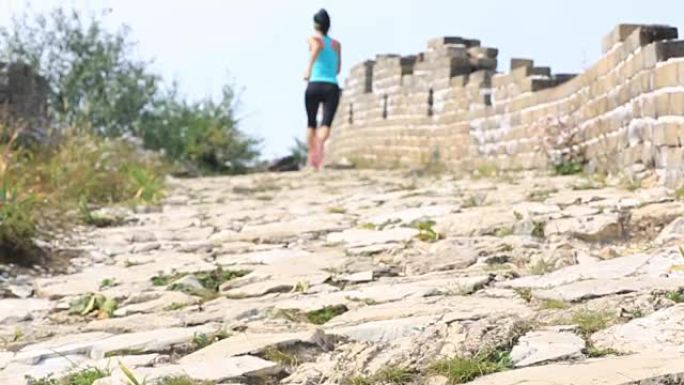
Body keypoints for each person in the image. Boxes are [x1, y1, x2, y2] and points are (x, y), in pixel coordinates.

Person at [303, 9, 341, 169]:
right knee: (325, 123)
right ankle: (319, 149)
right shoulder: (336, 44)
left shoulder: (313, 39)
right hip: (331, 85)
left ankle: (312, 158)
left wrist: (308, 69)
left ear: (315, 25)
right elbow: (338, 69)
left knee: (311, 123)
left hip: (314, 84)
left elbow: (316, 48)